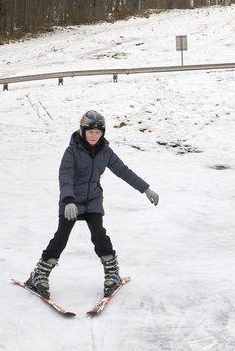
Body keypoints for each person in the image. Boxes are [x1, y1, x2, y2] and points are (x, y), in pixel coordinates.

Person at [25, 110, 159, 299]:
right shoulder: (72, 151)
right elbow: (65, 177)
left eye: (98, 132)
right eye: (90, 132)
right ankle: (38, 275)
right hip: (71, 200)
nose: (94, 136)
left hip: (93, 200)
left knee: (99, 235)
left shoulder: (106, 151)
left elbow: (124, 171)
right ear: (82, 131)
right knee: (61, 236)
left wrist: (145, 189)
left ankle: (112, 274)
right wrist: (68, 200)